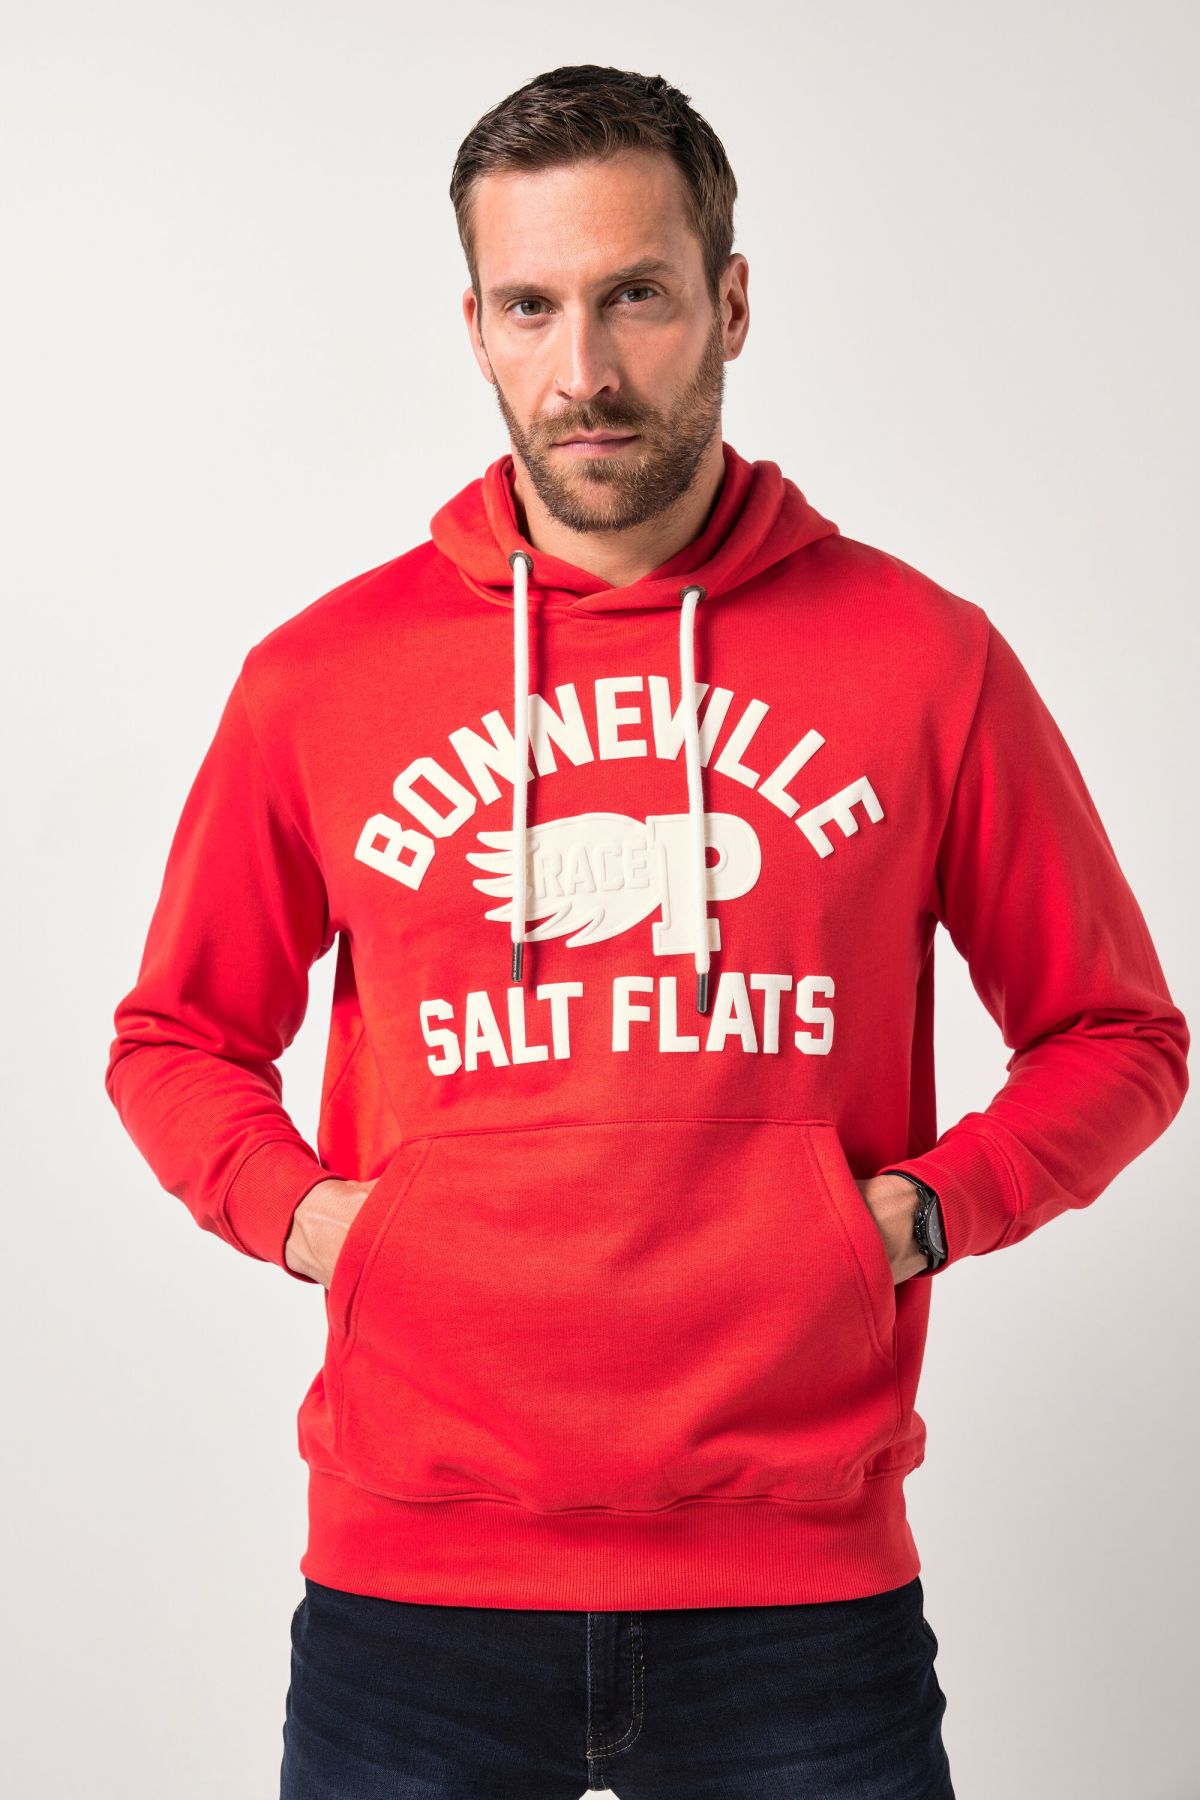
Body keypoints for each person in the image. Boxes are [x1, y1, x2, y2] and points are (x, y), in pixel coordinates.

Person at [104, 63, 1189, 1800]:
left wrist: (920, 1215)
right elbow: (174, 1038)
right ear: (475, 324)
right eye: (531, 305)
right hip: (415, 1594)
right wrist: (321, 1226)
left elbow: (1117, 1036)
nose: (585, 371)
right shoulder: (321, 681)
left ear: (730, 303)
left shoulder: (925, 660)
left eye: (637, 297)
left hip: (800, 1600)